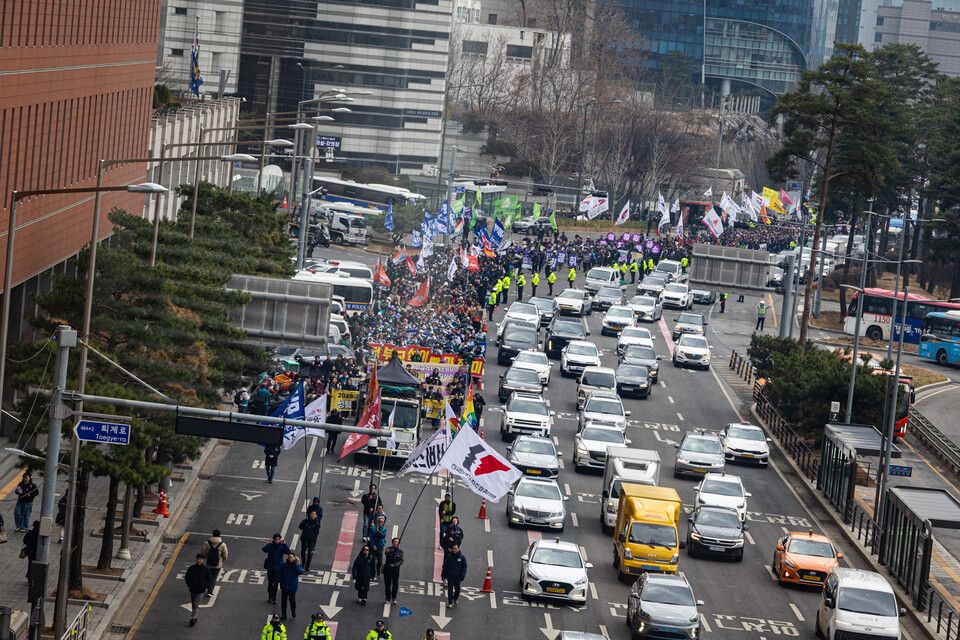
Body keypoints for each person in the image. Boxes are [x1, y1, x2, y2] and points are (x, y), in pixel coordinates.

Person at [262, 533, 292, 605]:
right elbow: (264, 549)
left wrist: (284, 544)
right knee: (270, 583)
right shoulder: (270, 546)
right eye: (276, 539)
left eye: (278, 539)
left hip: (278, 568)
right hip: (270, 567)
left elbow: (288, 552)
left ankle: (274, 598)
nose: (277, 541)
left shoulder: (282, 546)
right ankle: (270, 597)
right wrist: (270, 543)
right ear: (273, 539)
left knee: (276, 584)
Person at [184, 554, 213, 627]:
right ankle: (195, 616)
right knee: (193, 603)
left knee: (196, 604)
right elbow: (187, 577)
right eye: (197, 559)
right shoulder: (191, 568)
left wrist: (206, 587)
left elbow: (210, 579)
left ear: (203, 560)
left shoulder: (206, 569)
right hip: (193, 589)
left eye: (200, 559)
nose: (198, 561)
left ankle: (192, 618)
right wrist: (189, 585)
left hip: (201, 590)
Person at [201, 529, 228, 595]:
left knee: (207, 576)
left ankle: (205, 587)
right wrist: (221, 560)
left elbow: (203, 553)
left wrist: (206, 558)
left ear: (212, 534)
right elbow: (225, 555)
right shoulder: (222, 544)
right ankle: (210, 591)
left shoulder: (207, 543)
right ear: (219, 535)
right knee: (214, 577)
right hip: (217, 564)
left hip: (208, 563)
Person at [279, 554, 304, 620]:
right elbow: (280, 574)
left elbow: (300, 572)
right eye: (289, 557)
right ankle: (284, 615)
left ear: (294, 558)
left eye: (292, 557)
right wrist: (281, 584)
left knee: (292, 600)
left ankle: (293, 611)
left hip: (292, 587)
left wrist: (295, 564)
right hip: (284, 586)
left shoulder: (297, 565)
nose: (290, 558)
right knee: (283, 601)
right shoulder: (283, 565)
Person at [382, 537, 404, 604]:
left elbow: (401, 561)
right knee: (387, 585)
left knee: (395, 584)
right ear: (392, 542)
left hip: (395, 571)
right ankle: (387, 598)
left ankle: (394, 598)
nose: (396, 543)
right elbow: (386, 553)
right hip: (387, 570)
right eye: (395, 541)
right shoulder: (388, 549)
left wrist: (395, 565)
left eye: (397, 542)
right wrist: (392, 550)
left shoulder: (400, 551)